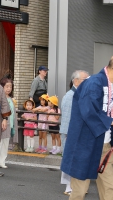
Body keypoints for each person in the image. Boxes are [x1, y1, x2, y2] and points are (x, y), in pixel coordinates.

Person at [61, 57, 113, 200]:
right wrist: (111, 121)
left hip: (105, 145)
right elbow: (88, 111)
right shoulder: (94, 83)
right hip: (85, 143)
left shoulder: (110, 84)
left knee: (110, 187)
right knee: (79, 191)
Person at [59, 70, 89, 196]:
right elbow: (66, 119)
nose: (87, 82)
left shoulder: (78, 94)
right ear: (75, 81)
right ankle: (68, 187)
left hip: (75, 133)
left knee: (74, 160)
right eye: (84, 80)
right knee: (69, 159)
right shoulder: (71, 96)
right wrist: (69, 135)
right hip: (70, 133)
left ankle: (73, 186)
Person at [0, 77, 16, 169]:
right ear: (2, 87)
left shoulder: (11, 99)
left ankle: (2, 161)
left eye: (10, 87)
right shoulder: (0, 98)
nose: (9, 89)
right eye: (7, 86)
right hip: (1, 123)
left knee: (5, 144)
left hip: (9, 124)